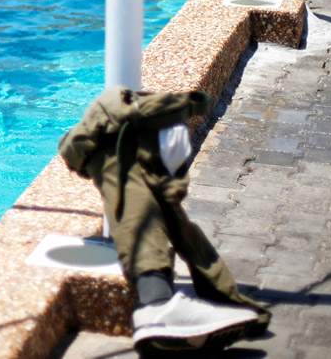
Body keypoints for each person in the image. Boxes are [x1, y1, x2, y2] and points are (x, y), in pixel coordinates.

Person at [58, 87, 270, 354]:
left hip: (136, 140)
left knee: (160, 214)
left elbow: (178, 219)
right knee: (139, 217)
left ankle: (164, 311)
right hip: (128, 146)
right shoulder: (123, 150)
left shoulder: (137, 131)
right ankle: (157, 307)